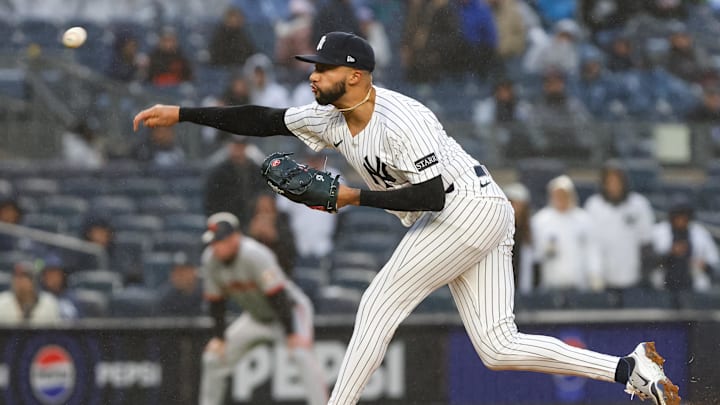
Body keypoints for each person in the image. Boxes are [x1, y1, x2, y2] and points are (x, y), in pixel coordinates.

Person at [133, 31, 680, 405]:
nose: (313, 75)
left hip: (465, 207)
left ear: (355, 73)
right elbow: (262, 119)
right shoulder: (330, 117)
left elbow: (434, 196)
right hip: (470, 215)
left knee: (376, 301)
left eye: (322, 68)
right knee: (497, 346)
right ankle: (629, 371)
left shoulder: (403, 118)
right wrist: (183, 114)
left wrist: (351, 199)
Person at [197, 212, 327, 405]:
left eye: (220, 241)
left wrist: (291, 333)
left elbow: (278, 296)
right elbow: (216, 303)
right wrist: (219, 338)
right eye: (213, 242)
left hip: (289, 311)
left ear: (235, 237)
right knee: (213, 358)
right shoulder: (210, 261)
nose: (216, 247)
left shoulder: (254, 255)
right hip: (256, 318)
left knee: (301, 354)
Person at [584, 161, 655, 290]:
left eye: (617, 181)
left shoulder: (639, 204)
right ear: (603, 184)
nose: (614, 186)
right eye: (609, 182)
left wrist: (646, 276)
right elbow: (592, 244)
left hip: (633, 278)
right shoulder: (593, 205)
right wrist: (595, 272)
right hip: (603, 279)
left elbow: (646, 243)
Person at [531, 175, 603, 291]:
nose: (560, 198)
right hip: (550, 285)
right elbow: (535, 255)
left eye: (564, 195)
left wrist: (595, 274)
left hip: (579, 285)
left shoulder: (584, 219)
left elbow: (592, 250)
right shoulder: (540, 220)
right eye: (557, 195)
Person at [652, 199, 719, 292]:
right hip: (663, 284)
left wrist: (704, 265)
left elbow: (714, 261)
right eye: (678, 215)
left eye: (685, 216)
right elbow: (649, 261)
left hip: (693, 285)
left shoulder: (700, 233)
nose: (681, 219)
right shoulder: (658, 232)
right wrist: (670, 253)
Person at [204, 136, 265, 227]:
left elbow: (264, 193)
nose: (238, 149)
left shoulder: (256, 170)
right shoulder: (219, 173)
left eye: (241, 146)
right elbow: (211, 202)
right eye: (235, 145)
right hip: (227, 221)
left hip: (252, 221)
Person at [247, 193, 298, 276]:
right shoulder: (248, 229)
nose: (264, 216)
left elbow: (290, 259)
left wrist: (275, 239)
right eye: (260, 211)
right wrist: (252, 237)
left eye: (267, 211)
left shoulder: (284, 230)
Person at [503, 182, 535, 294]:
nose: (516, 208)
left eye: (520, 205)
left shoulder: (531, 230)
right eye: (513, 203)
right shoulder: (500, 230)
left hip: (523, 290)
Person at [40, 254, 80, 319]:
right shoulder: (39, 298)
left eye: (56, 273)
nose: (52, 278)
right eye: (49, 274)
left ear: (62, 275)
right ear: (43, 277)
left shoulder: (73, 298)